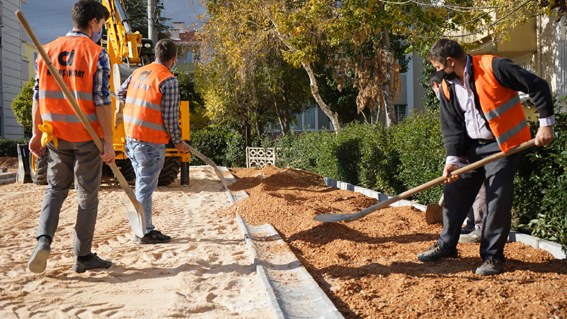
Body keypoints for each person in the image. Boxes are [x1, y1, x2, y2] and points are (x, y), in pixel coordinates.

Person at [417, 39, 554, 276]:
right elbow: (451, 127)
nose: (436, 72)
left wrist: (546, 124)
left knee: (497, 201)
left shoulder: (494, 67)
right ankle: (446, 245)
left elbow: (537, 85)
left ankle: (492, 257)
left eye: (438, 66)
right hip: (471, 150)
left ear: (450, 61)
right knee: (454, 193)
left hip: (504, 147)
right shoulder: (448, 85)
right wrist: (452, 160)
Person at [27, 0, 115, 274]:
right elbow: (102, 102)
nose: (101, 29)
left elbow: (37, 96)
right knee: (87, 196)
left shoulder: (46, 51)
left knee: (55, 190)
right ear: (93, 23)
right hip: (86, 137)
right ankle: (83, 255)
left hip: (55, 136)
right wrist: (108, 143)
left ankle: (43, 242)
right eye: (102, 24)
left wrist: (34, 133)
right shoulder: (96, 53)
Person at [117, 39, 190, 244]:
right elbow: (169, 118)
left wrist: (139, 111)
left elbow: (121, 93)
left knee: (142, 183)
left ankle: (144, 228)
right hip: (150, 142)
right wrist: (178, 142)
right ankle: (144, 231)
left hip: (131, 136)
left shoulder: (139, 72)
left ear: (157, 55)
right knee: (145, 186)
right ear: (174, 59)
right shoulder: (169, 81)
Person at [430, 71, 487, 244]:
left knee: (481, 190)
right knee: (464, 189)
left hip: (477, 149)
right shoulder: (451, 97)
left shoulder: (457, 94)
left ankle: (480, 227)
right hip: (464, 152)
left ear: (436, 86)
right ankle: (471, 223)